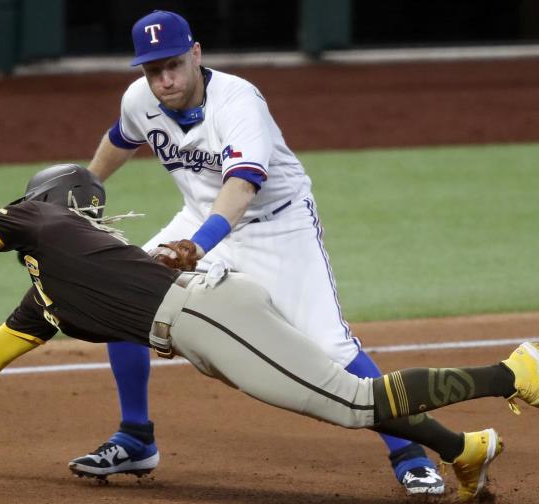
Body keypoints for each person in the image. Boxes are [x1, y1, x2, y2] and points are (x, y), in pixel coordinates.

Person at [0, 165, 539, 502]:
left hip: (205, 315)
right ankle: (465, 450)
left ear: (43, 203)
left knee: (352, 401)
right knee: (338, 398)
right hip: (209, 323)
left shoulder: (41, 219)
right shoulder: (48, 294)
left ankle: (512, 373)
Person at [74, 9, 444, 494]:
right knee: (120, 298)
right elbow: (120, 139)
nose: (164, 79)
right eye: (153, 69)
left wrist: (195, 246)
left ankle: (410, 453)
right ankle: (136, 436)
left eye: (173, 65)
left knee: (330, 347)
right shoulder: (139, 98)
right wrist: (85, 186)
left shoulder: (239, 102)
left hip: (278, 227)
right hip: (199, 218)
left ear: (196, 55)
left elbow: (242, 189)